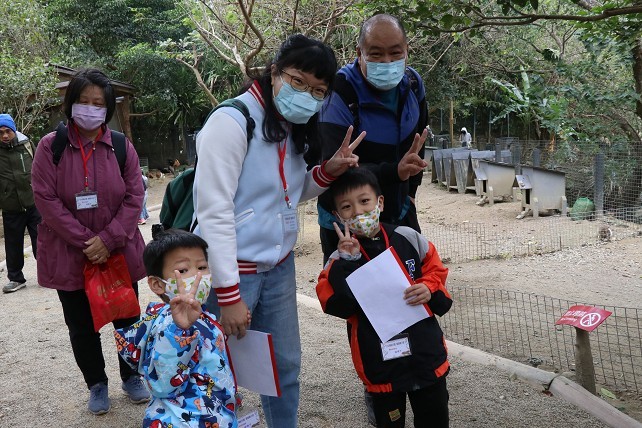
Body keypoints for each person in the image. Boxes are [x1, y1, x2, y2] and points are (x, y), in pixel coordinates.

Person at [194, 34, 364, 428]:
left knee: (284, 365)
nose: (307, 95)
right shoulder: (231, 121)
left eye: (318, 91)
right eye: (298, 81)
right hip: (232, 273)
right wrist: (228, 294)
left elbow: (287, 192)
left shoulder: (290, 125)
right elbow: (215, 212)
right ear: (274, 72)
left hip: (278, 268)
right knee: (213, 370)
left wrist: (327, 172)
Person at [31, 68, 150, 415]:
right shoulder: (50, 147)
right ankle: (96, 383)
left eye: (98, 103)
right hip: (70, 255)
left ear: (108, 108)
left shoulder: (121, 146)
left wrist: (108, 239)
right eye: (83, 101)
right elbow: (45, 199)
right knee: (81, 326)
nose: (90, 108)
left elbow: (135, 196)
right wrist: (88, 242)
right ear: (70, 104)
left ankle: (131, 376)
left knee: (127, 318)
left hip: (118, 251)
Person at [316, 167, 451, 428]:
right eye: (347, 207)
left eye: (364, 201)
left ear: (380, 202)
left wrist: (428, 287)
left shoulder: (408, 238)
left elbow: (437, 270)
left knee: (435, 420)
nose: (358, 212)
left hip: (426, 354)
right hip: (379, 362)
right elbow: (334, 304)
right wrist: (348, 262)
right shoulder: (337, 260)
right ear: (337, 215)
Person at [317, 13, 429, 265]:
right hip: (348, 218)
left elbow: (418, 143)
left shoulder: (412, 84)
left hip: (397, 209)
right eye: (376, 54)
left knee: (409, 278)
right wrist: (395, 172)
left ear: (407, 51)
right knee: (349, 284)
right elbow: (335, 170)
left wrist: (411, 191)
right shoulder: (339, 93)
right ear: (359, 52)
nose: (387, 61)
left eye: (395, 52)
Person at [115, 228, 242, 427]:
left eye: (202, 267)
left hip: (214, 415)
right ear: (158, 284)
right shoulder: (167, 325)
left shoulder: (202, 315)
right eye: (183, 270)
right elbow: (162, 385)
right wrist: (180, 331)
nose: (197, 276)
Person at [0, 113, 41, 293]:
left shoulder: (27, 145)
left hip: (34, 203)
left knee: (42, 241)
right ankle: (16, 278)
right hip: (11, 206)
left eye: (7, 131)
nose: (4, 135)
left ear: (14, 130)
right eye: (0, 132)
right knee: (13, 245)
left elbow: (41, 168)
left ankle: (47, 274)